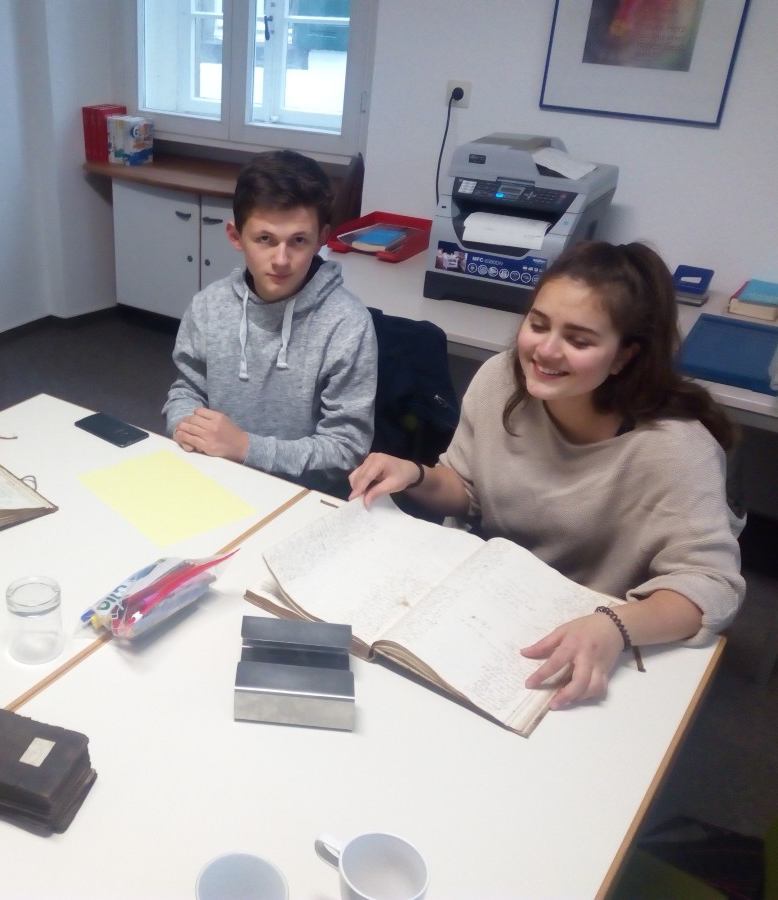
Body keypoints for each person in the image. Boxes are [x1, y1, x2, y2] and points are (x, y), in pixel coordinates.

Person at [348, 240, 744, 709]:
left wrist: (613, 625)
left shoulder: (677, 449)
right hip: (485, 609)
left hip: (591, 634)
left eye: (579, 340)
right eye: (538, 325)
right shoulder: (501, 379)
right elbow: (468, 489)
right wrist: (415, 474)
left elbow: (710, 587)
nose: (546, 350)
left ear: (624, 357)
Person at [162, 149, 377, 496]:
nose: (281, 260)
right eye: (265, 239)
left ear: (322, 237)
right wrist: (186, 427)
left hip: (300, 496)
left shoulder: (347, 324)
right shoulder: (208, 307)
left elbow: (346, 448)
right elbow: (187, 390)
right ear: (235, 236)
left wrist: (246, 447)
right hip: (215, 476)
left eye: (298, 241)